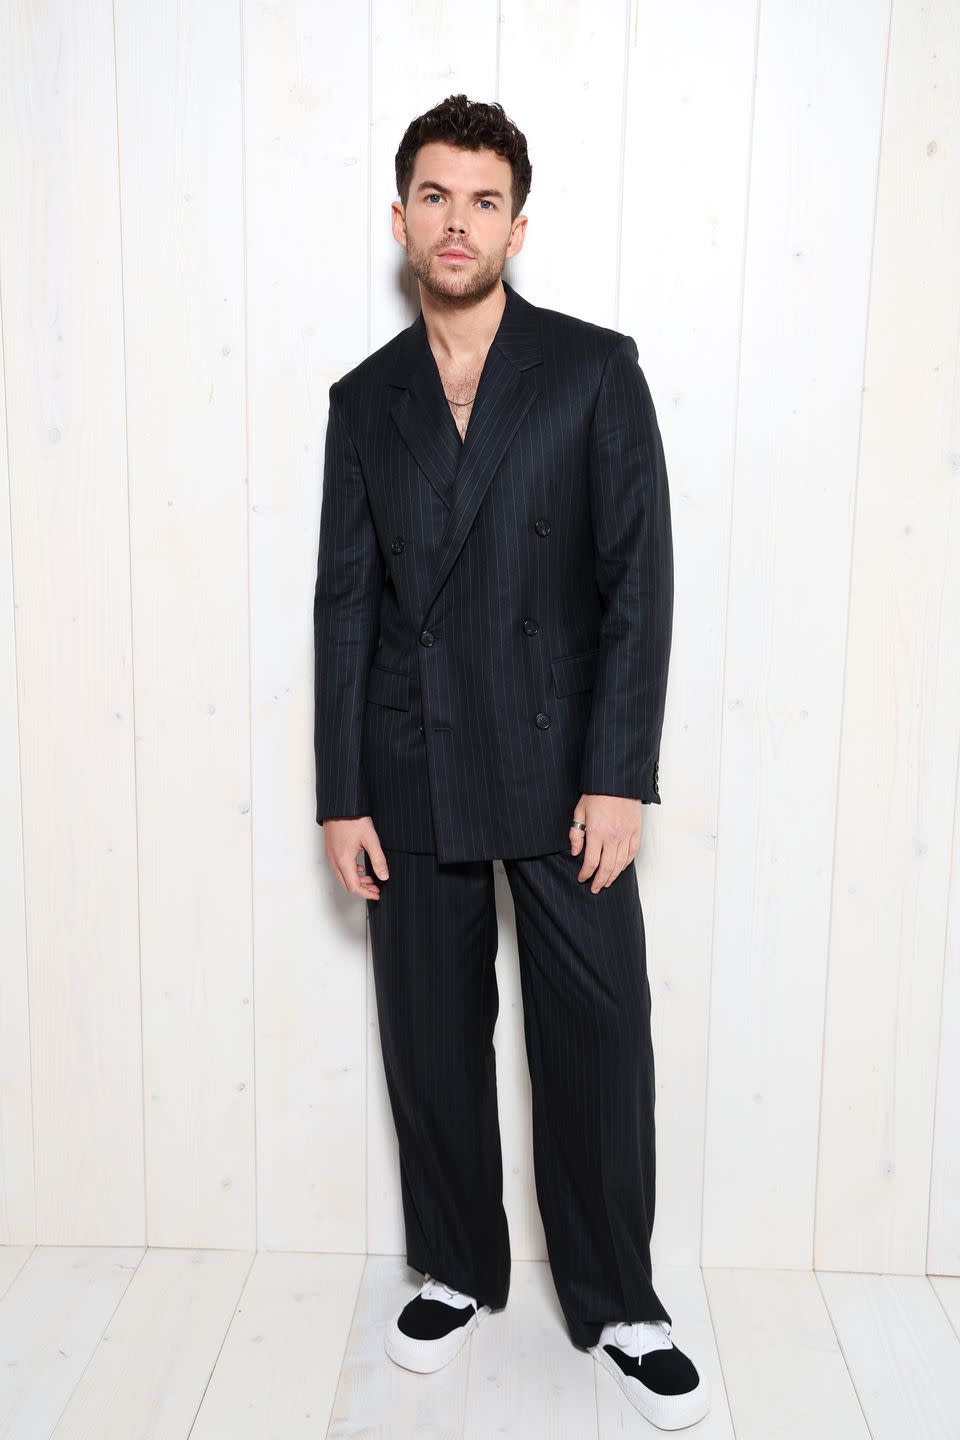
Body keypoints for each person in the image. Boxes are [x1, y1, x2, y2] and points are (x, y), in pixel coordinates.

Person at [313, 93, 710, 1431]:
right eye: (435, 195)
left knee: (598, 1038)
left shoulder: (595, 372)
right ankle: (454, 1269)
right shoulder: (364, 401)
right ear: (400, 218)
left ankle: (622, 1297)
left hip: (563, 768)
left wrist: (618, 773)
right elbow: (345, 605)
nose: (457, 221)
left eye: (483, 199)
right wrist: (341, 791)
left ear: (518, 224)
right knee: (429, 1034)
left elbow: (636, 586)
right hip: (410, 759)